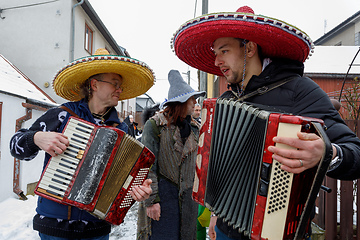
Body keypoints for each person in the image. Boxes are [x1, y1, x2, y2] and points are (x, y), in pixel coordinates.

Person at [171, 6, 360, 240]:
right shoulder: (226, 101)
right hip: (227, 228)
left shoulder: (299, 90)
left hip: (279, 231)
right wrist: (216, 214)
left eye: (224, 50)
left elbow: (355, 153)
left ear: (248, 48)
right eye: (215, 52)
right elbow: (223, 167)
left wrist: (328, 154)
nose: (216, 60)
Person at [9, 48, 155, 240]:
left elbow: (122, 182)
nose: (120, 90)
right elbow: (15, 147)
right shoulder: (62, 115)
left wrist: (136, 191)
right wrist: (36, 137)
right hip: (55, 227)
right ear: (94, 84)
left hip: (97, 229)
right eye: (115, 84)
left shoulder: (121, 129)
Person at [136, 69, 206, 240]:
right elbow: (146, 165)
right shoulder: (155, 126)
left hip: (188, 201)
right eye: (192, 99)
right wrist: (152, 201)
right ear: (181, 101)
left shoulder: (196, 129)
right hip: (163, 199)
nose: (195, 102)